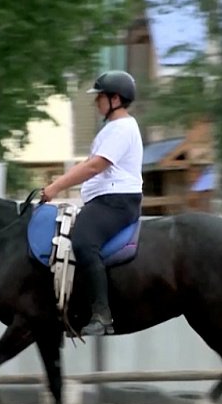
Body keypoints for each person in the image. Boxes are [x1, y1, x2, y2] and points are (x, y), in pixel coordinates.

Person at [39, 70, 144, 336]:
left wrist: (55, 187)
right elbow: (88, 165)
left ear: (115, 99)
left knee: (84, 242)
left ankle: (102, 314)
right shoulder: (112, 129)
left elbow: (95, 166)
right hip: (105, 199)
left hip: (116, 201)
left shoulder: (122, 128)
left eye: (100, 97)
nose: (95, 102)